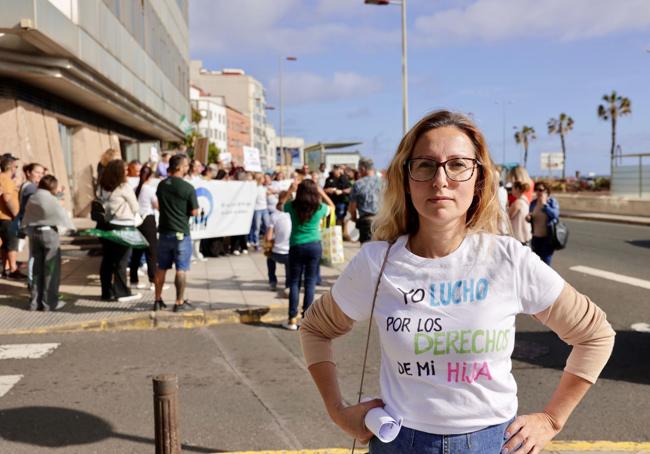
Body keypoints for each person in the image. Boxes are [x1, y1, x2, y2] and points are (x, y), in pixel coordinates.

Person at [299, 110, 614, 453]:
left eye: (458, 164)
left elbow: (595, 334)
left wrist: (552, 419)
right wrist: (338, 411)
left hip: (492, 444)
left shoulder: (508, 260)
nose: (441, 179)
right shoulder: (377, 263)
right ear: (406, 178)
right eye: (425, 165)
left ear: (479, 178)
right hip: (401, 443)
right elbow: (315, 329)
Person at [279, 179, 335, 330]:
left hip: (296, 245)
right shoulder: (320, 207)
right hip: (314, 246)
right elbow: (332, 206)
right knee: (310, 282)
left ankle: (292, 319)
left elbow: (279, 206)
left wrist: (290, 191)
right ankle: (306, 320)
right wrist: (322, 192)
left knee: (294, 283)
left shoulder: (292, 206)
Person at [22, 175, 75, 311]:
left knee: (36, 269)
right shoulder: (50, 199)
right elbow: (59, 211)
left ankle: (34, 302)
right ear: (52, 186)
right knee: (51, 269)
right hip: (49, 234)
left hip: (34, 233)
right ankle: (49, 303)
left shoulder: (34, 197)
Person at [154, 154, 199, 312]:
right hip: (181, 233)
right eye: (186, 166)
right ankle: (179, 302)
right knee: (181, 268)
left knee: (161, 267)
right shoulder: (188, 188)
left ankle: (157, 300)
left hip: (164, 232)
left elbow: (160, 205)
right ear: (179, 167)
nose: (188, 168)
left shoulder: (161, 185)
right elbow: (194, 212)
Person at [97, 159, 142, 303]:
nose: (127, 172)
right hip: (123, 226)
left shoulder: (103, 186)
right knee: (122, 261)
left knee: (108, 260)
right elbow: (135, 207)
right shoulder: (124, 187)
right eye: (125, 170)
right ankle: (122, 292)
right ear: (119, 172)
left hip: (107, 226)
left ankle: (106, 292)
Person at [129, 165, 159, 290]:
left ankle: (133, 280)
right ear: (150, 176)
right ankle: (153, 281)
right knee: (151, 252)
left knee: (136, 251)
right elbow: (156, 205)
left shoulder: (135, 188)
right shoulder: (150, 189)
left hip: (136, 220)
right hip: (148, 220)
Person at [18, 162, 45, 287]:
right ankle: (32, 282)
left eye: (41, 173)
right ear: (28, 173)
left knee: (33, 253)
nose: (40, 175)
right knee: (35, 254)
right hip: (33, 224)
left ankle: (32, 281)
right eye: (37, 172)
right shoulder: (31, 188)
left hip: (29, 222)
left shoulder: (27, 185)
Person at [0, 154, 25, 279]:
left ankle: (5, 268)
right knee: (12, 244)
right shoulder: (7, 180)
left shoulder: (1, 178)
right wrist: (16, 215)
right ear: (11, 167)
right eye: (16, 166)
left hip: (2, 218)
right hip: (8, 218)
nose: (16, 168)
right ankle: (13, 269)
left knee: (5, 245)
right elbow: (7, 198)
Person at [349, 158, 383, 244]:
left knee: (366, 252)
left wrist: (354, 218)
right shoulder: (383, 182)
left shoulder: (358, 184)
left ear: (363, 168)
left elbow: (352, 207)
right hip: (383, 220)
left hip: (366, 222)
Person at [264, 192, 292, 293]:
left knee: (269, 258)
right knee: (290, 265)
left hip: (277, 253)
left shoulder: (274, 216)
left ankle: (272, 282)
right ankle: (288, 285)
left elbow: (268, 237)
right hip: (290, 253)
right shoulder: (294, 215)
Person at [529, 182, 560, 266]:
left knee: (546, 264)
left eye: (541, 190)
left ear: (547, 191)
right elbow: (532, 216)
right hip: (536, 238)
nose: (538, 192)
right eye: (537, 190)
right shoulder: (533, 203)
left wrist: (544, 205)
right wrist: (529, 218)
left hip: (548, 238)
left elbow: (555, 215)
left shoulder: (551, 202)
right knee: (536, 263)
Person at [324, 165, 352, 240]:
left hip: (341, 202)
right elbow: (324, 190)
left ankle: (340, 235)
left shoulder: (344, 179)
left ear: (339, 170)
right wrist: (328, 190)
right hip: (331, 202)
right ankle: (331, 235)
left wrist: (341, 191)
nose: (335, 171)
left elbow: (350, 189)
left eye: (336, 169)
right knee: (330, 219)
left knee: (340, 219)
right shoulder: (329, 179)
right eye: (334, 169)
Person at [249, 173, 270, 251]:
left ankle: (267, 242)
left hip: (264, 209)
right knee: (257, 227)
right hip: (257, 209)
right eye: (263, 178)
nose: (264, 180)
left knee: (268, 226)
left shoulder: (263, 188)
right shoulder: (255, 188)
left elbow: (268, 193)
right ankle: (256, 243)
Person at [509, 181, 532, 245]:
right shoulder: (525, 200)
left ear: (517, 189)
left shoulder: (517, 203)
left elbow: (508, 216)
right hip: (526, 235)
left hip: (519, 237)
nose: (511, 190)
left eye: (512, 188)